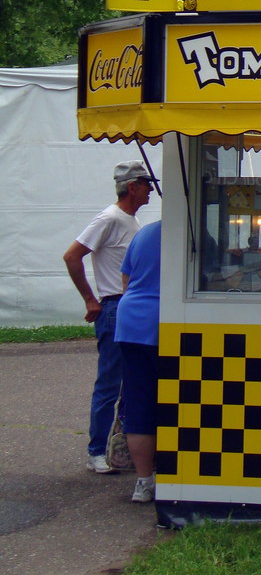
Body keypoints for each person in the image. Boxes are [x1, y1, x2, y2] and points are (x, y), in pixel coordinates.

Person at [63, 160, 153, 473]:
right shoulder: (109, 218)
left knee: (131, 382)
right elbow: (72, 255)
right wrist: (90, 299)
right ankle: (96, 450)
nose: (150, 189)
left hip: (128, 306)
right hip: (114, 305)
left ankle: (120, 447)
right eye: (146, 184)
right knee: (111, 383)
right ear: (132, 187)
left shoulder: (129, 220)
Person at [115, 220, 161, 503]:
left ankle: (143, 482)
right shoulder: (195, 231)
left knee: (139, 402)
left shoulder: (145, 232)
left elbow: (126, 279)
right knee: (178, 401)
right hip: (167, 320)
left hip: (131, 319)